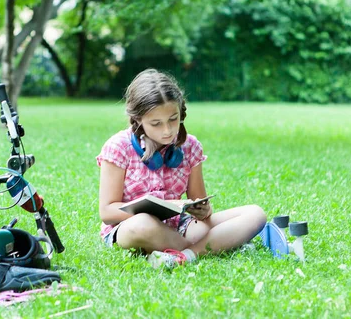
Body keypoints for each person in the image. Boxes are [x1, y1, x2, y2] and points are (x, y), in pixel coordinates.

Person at [96, 68, 266, 269]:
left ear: (181, 113)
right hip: (131, 228)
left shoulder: (190, 146)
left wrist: (202, 209)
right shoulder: (118, 147)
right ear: (138, 119)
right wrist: (160, 208)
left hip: (180, 227)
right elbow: (107, 211)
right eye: (156, 123)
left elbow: (200, 206)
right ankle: (216, 247)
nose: (167, 131)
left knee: (255, 214)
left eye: (173, 119)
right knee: (142, 224)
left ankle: (184, 256)